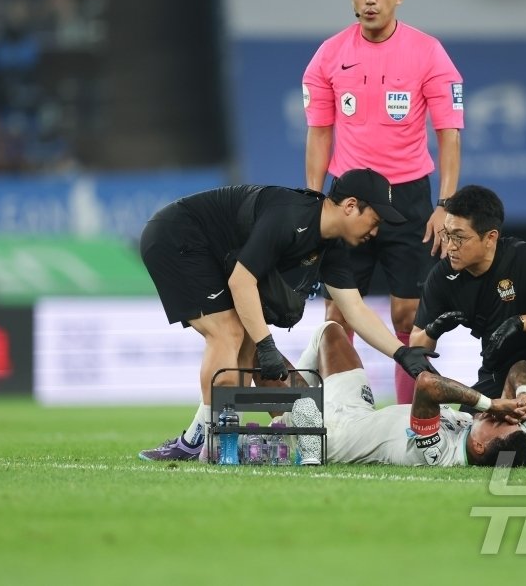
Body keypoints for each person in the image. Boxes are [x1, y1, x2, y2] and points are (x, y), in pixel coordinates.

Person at [137, 168, 439, 461]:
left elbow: (355, 309)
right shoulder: (290, 216)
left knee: (245, 344)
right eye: (375, 220)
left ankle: (199, 440)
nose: (376, 232)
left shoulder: (330, 246)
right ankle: (208, 441)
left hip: (213, 251)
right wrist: (267, 345)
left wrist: (401, 353)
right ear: (350, 206)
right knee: (229, 332)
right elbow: (241, 281)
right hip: (177, 235)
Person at [303, 0, 463, 404]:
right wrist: (312, 202)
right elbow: (319, 132)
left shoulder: (428, 52)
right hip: (348, 200)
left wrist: (445, 205)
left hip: (409, 197)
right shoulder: (329, 55)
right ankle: (342, 414)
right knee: (338, 315)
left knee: (409, 314)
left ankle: (413, 423)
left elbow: (449, 134)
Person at [408, 185, 526, 468]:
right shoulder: (442, 278)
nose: (450, 246)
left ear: (490, 237)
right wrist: (433, 330)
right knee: (473, 431)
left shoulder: (524, 257)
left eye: (460, 237)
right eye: (447, 234)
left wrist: (520, 322)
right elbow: (415, 348)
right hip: (502, 367)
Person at [287, 321, 526, 467]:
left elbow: (426, 383)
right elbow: (520, 366)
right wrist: (524, 396)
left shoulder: (436, 452)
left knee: (270, 364)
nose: (498, 416)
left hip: (334, 436)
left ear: (479, 447)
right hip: (359, 414)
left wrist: (489, 404)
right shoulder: (474, 430)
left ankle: (298, 424)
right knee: (330, 332)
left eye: (497, 424)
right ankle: (295, 410)